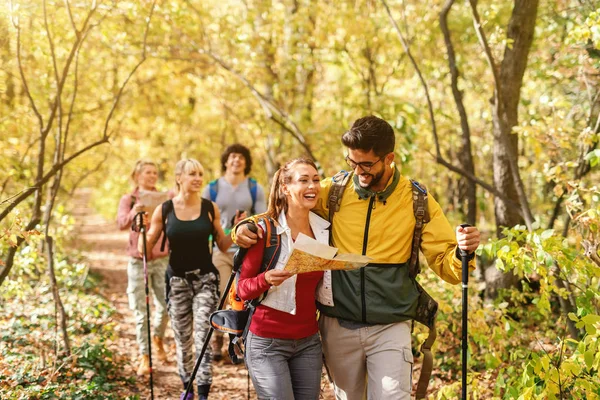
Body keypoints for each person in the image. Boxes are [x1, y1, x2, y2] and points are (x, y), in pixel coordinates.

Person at [235, 116, 481, 400]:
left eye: (366, 164)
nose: (358, 171)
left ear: (389, 158)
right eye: (352, 162)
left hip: (391, 323)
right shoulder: (336, 190)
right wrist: (245, 228)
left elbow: (447, 263)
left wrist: (464, 252)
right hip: (338, 324)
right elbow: (288, 207)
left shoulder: (416, 201)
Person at [142, 158, 241, 400]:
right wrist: (141, 230)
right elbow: (146, 249)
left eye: (200, 173)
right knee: (183, 338)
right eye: (192, 174)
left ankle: (204, 391)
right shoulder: (164, 210)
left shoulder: (210, 207)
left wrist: (235, 229)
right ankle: (187, 387)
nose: (197, 178)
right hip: (176, 282)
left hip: (206, 279)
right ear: (179, 178)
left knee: (204, 337)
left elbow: (222, 244)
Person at [237, 157, 327, 400]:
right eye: (304, 180)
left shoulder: (324, 230)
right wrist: (266, 278)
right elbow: (242, 290)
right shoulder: (265, 230)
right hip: (267, 342)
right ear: (285, 188)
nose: (313, 186)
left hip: (309, 341)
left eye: (316, 180)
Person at [201, 144, 266, 360]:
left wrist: (248, 223)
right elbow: (203, 219)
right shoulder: (213, 188)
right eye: (232, 157)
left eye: (241, 157)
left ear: (246, 162)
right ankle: (218, 340)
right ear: (226, 161)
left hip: (248, 251)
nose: (236, 160)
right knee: (221, 293)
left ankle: (237, 342)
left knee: (242, 297)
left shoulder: (255, 188)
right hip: (221, 249)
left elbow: (264, 217)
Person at [117, 159, 169, 376]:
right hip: (138, 260)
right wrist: (133, 212)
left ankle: (157, 336)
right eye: (147, 172)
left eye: (154, 172)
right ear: (137, 175)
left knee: (166, 305)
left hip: (162, 258)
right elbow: (121, 223)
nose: (151, 176)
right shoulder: (129, 199)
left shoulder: (164, 198)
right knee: (141, 311)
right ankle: (144, 355)